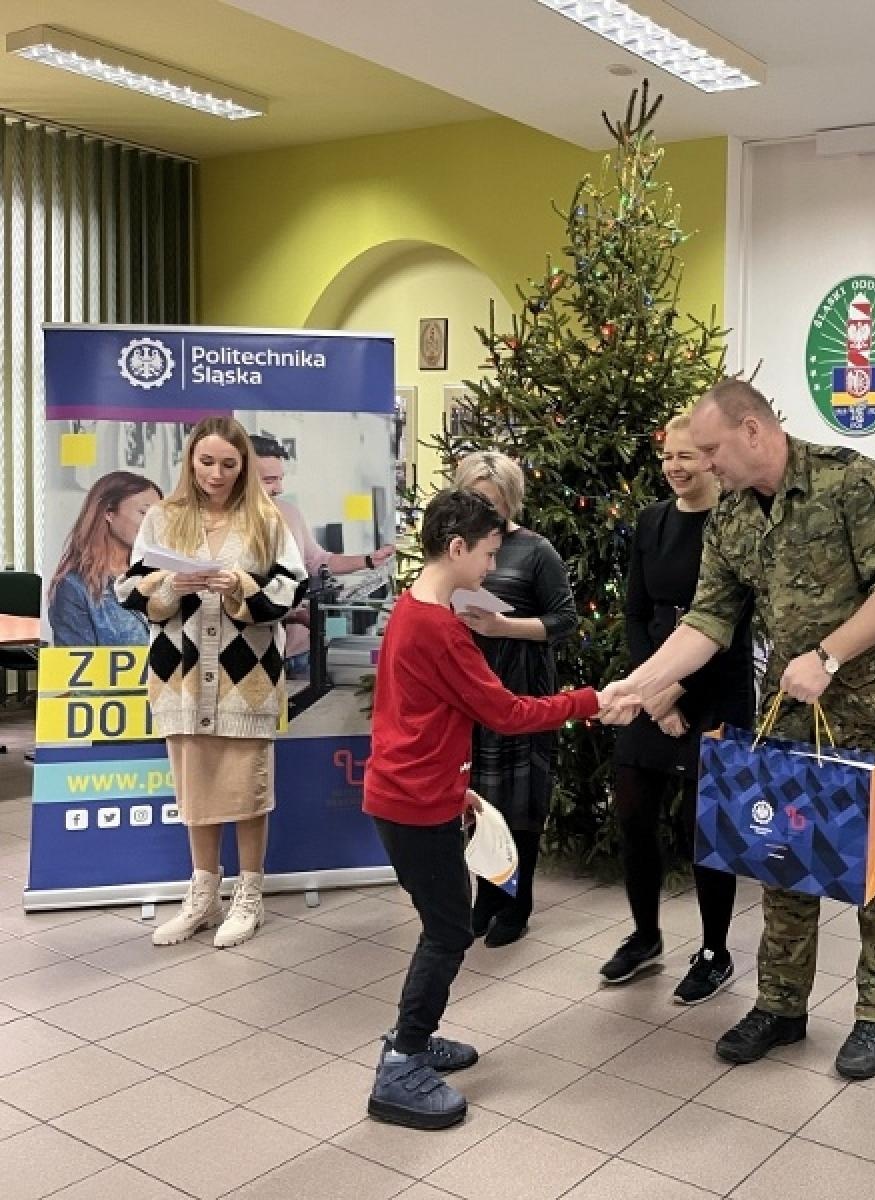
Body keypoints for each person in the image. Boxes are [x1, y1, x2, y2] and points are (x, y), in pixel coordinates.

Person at [617, 379, 875, 1080]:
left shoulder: (850, 481)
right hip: (789, 718)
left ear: (753, 431)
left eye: (710, 450)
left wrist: (829, 656)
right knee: (784, 863)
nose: (702, 464)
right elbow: (709, 619)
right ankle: (782, 1006)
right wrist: (641, 685)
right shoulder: (732, 517)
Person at [361, 488, 636, 1130]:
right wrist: (594, 698)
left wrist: (457, 786)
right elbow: (507, 712)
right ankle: (401, 1060)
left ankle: (415, 1036)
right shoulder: (442, 630)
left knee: (445, 920)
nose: (491, 567)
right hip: (414, 804)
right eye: (487, 554)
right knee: (451, 929)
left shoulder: (413, 607)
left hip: (419, 794)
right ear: (457, 549)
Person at [117, 417, 307, 949]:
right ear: (190, 460)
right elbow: (129, 588)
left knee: (247, 788)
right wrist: (169, 584)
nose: (216, 474)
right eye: (207, 462)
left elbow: (293, 589)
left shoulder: (266, 519)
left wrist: (241, 586)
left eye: (228, 463)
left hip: (245, 678)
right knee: (195, 786)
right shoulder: (162, 517)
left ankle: (250, 894)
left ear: (243, 464)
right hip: (179, 675)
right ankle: (203, 895)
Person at [601, 412, 754, 1004]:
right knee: (635, 811)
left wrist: (674, 691)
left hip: (717, 685)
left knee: (705, 827)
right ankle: (645, 937)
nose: (674, 466)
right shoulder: (650, 523)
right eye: (667, 456)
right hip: (655, 684)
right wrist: (650, 690)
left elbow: (732, 625)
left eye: (687, 456)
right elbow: (638, 613)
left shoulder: (736, 526)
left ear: (713, 460)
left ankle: (715, 952)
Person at [451, 451, 578, 946]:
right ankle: (487, 896)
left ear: (511, 500)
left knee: (521, 802)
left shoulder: (535, 550)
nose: (486, 510)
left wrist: (504, 626)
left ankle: (518, 902)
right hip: (469, 685)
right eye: (475, 500)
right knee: (477, 799)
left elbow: (565, 621)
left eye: (494, 501)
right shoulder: (457, 547)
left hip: (521, 685)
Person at [250, 435, 396, 679]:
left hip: (300, 654)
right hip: (254, 661)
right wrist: (292, 612)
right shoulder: (223, 528)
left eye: (280, 479)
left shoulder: (289, 513)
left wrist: (369, 560)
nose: (279, 488)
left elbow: (317, 560)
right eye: (269, 480)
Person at [48, 471, 162, 646]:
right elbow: (76, 666)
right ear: (109, 512)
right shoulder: (74, 587)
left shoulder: (161, 575)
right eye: (144, 513)